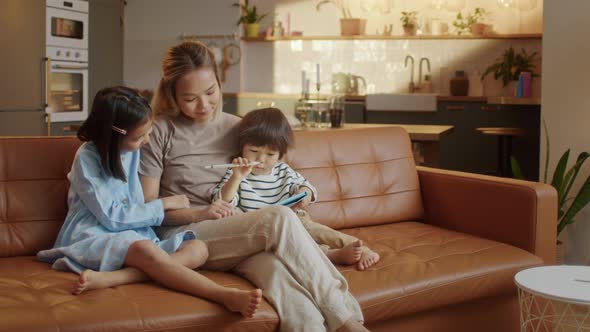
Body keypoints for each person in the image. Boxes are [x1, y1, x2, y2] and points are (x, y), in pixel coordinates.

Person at [139, 40, 368, 332]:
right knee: (277, 218)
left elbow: (274, 167)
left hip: (238, 234)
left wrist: (299, 195)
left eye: (211, 93)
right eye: (190, 98)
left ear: (220, 84)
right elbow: (149, 210)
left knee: (287, 288)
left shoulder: (238, 128)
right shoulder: (158, 132)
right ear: (172, 95)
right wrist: (203, 213)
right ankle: (349, 322)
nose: (204, 105)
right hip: (187, 237)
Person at [37, 86, 262, 318]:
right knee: (145, 249)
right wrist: (163, 204)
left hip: (134, 234)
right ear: (114, 134)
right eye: (139, 137)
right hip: (95, 234)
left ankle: (113, 278)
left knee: (198, 249)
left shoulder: (131, 149)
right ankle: (223, 295)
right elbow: (113, 218)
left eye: (148, 132)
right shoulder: (87, 158)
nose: (146, 141)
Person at [213, 107, 380, 270]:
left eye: (270, 154)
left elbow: (307, 188)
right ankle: (331, 255)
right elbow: (222, 202)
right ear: (242, 146)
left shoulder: (283, 170)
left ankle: (362, 249)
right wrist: (236, 177)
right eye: (254, 151)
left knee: (313, 229)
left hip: (295, 219)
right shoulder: (236, 172)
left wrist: (303, 193)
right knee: (281, 246)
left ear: (280, 154)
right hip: (262, 230)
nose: (261, 159)